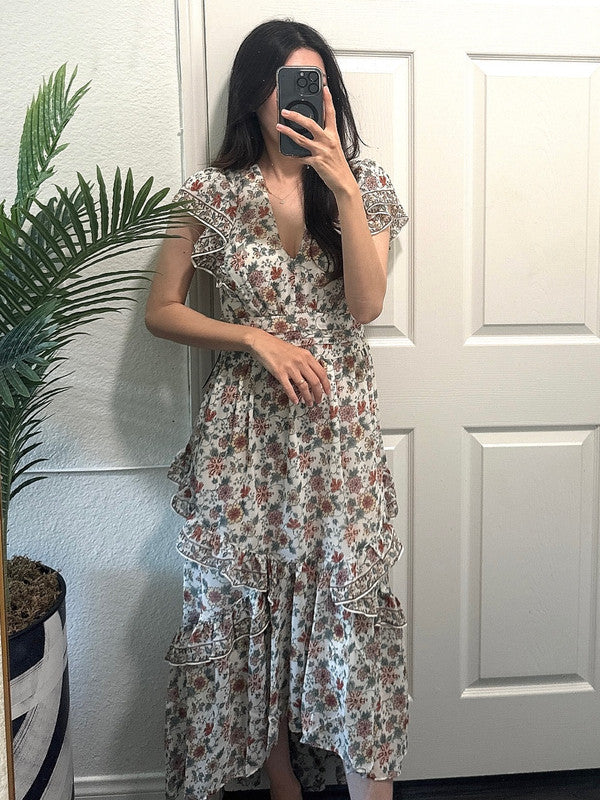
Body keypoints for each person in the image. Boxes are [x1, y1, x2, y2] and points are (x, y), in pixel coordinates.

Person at [145, 18, 410, 800]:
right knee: (245, 606)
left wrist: (345, 187)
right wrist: (252, 337)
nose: (301, 98)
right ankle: (281, 778)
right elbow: (162, 310)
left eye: (315, 82)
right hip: (246, 439)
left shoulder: (365, 184)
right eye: (285, 83)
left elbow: (365, 306)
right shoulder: (211, 195)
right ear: (254, 95)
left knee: (351, 614)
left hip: (339, 438)